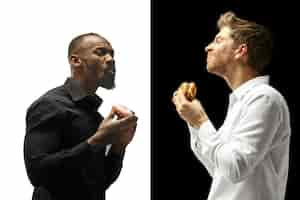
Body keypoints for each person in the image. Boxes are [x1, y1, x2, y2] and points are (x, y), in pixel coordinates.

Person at [172, 11, 290, 200]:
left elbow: (235, 168)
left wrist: (201, 120)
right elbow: (221, 171)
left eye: (218, 40)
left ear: (240, 51)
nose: (207, 47)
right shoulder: (242, 102)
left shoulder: (265, 98)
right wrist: (193, 123)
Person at [24, 32, 138, 200]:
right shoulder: (50, 105)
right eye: (100, 53)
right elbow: (37, 173)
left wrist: (119, 146)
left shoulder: (94, 116)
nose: (110, 59)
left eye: (112, 54)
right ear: (76, 60)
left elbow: (99, 183)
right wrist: (98, 140)